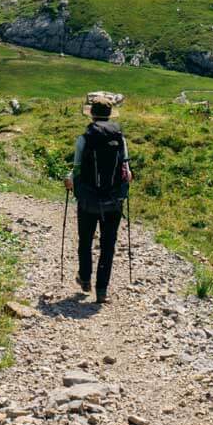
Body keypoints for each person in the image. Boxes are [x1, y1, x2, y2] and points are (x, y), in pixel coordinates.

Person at [64, 96, 131, 303]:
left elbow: (76, 169)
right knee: (108, 245)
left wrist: (69, 181)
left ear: (91, 114)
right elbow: (127, 171)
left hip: (88, 200)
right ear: (110, 115)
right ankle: (102, 291)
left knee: (85, 240)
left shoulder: (84, 138)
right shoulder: (120, 137)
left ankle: (85, 279)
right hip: (113, 200)